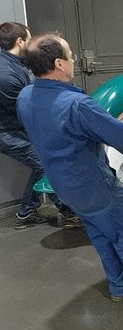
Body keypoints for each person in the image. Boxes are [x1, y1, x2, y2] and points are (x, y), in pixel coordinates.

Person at [17, 33, 123, 303]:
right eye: (70, 55)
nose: (74, 59)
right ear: (59, 64)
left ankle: (120, 286)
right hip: (92, 183)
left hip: (63, 185)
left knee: (100, 231)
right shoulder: (76, 106)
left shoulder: (26, 96)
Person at [0, 22, 79, 229]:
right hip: (8, 133)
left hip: (15, 129)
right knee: (45, 165)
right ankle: (67, 212)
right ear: (20, 41)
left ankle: (27, 212)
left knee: (42, 165)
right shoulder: (6, 75)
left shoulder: (17, 62)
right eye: (29, 38)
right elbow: (27, 108)